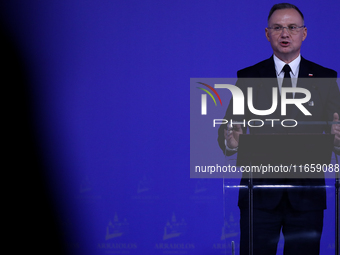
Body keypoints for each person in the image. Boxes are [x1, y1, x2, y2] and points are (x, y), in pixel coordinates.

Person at [217, 3, 340, 255]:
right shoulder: (249, 77)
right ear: (267, 33)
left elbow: (336, 130)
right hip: (259, 196)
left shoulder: (325, 78)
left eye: (292, 27)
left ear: (303, 33)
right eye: (278, 27)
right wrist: (231, 141)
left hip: (307, 197)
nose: (285, 34)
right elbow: (227, 131)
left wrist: (338, 140)